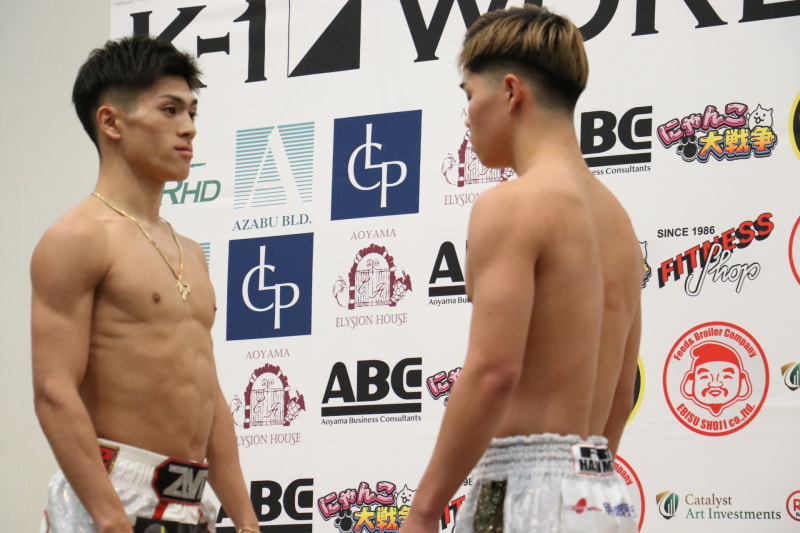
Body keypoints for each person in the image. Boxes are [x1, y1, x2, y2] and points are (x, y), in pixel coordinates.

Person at [399, 6, 642, 533]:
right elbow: (621, 396)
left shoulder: (511, 204)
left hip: (522, 493)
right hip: (602, 491)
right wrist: (585, 488)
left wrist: (423, 511)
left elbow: (494, 373)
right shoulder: (621, 224)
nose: (467, 116)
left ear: (511, 92)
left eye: (469, 95)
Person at [31, 36, 260, 533]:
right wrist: (110, 517)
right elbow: (53, 390)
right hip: (111, 493)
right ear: (111, 122)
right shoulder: (76, 237)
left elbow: (207, 393)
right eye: (170, 110)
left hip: (190, 500)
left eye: (192, 112)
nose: (189, 127)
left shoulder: (191, 252)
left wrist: (245, 518)